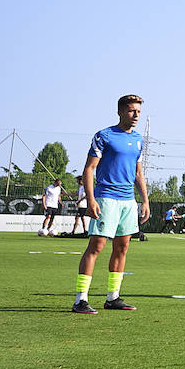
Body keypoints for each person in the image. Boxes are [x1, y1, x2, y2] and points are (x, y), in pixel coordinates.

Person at [72, 94, 149, 314]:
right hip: (106, 198)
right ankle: (80, 300)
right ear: (120, 112)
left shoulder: (138, 139)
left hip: (128, 201)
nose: (136, 115)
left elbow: (138, 173)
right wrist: (91, 199)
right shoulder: (104, 135)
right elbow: (89, 169)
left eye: (138, 112)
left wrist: (145, 200)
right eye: (131, 111)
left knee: (122, 248)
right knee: (96, 247)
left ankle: (113, 297)